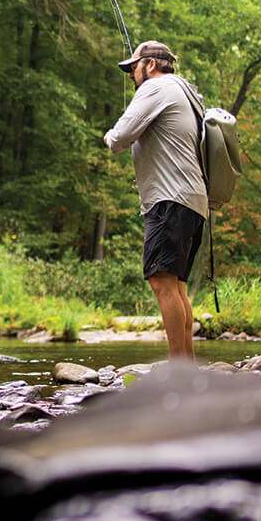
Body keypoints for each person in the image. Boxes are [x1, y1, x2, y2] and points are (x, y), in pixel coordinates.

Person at [101, 40, 209, 362]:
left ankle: (180, 368)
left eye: (132, 68)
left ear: (149, 65)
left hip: (169, 199)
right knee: (174, 285)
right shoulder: (188, 94)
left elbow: (120, 138)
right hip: (193, 201)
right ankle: (186, 364)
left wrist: (108, 136)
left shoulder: (156, 87)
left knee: (162, 282)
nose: (130, 76)